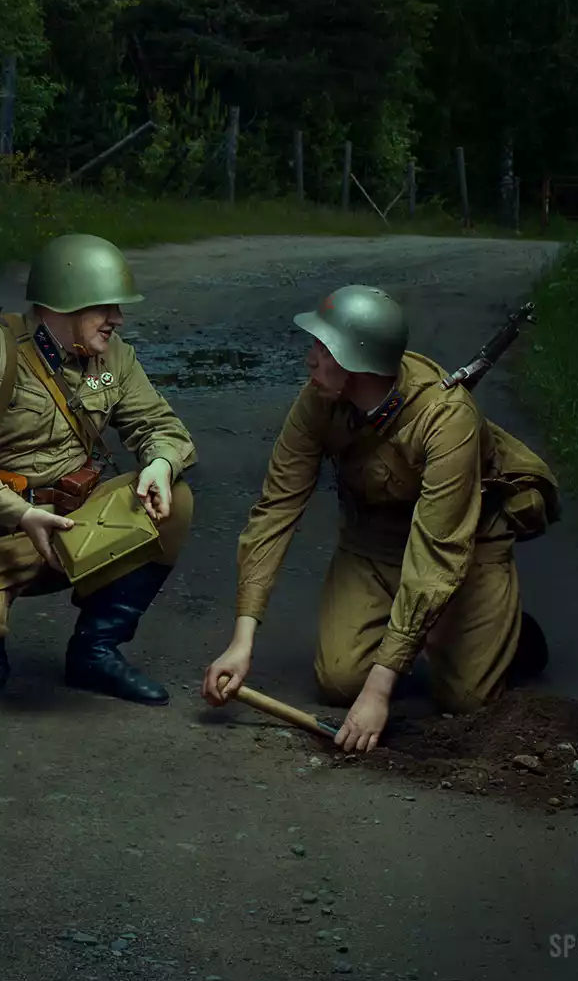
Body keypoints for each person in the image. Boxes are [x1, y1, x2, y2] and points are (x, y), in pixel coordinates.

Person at [201, 285, 556, 750]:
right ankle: (428, 632)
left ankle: (504, 633)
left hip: (464, 546)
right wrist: (241, 641)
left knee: (466, 699)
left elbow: (437, 555)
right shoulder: (319, 399)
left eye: (323, 349)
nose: (309, 359)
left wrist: (379, 691)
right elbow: (276, 508)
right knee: (339, 680)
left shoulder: (448, 420)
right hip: (375, 541)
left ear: (356, 363)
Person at [0, 233, 198, 704]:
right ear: (66, 303)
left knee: (172, 500)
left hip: (74, 525)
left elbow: (160, 426)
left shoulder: (114, 357)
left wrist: (161, 464)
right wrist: (19, 513)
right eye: (105, 307)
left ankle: (95, 651)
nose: (117, 319)